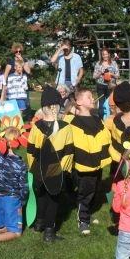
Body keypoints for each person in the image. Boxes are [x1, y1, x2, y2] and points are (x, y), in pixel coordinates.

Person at [27, 86, 74, 241]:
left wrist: (33, 168)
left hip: (39, 168)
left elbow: (31, 151)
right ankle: (49, 231)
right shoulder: (65, 127)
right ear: (55, 107)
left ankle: (38, 224)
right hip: (56, 169)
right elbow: (68, 151)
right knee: (53, 199)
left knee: (41, 195)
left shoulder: (36, 127)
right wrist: (63, 170)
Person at [66, 88, 111, 235]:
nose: (92, 99)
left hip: (96, 163)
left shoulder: (97, 120)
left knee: (94, 190)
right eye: (88, 97)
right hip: (83, 164)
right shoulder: (73, 122)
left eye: (92, 97)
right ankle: (83, 220)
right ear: (78, 102)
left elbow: (104, 137)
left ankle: (87, 213)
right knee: (85, 193)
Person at [93, 48, 120, 117]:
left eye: (106, 54)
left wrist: (112, 74)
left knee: (110, 103)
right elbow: (94, 77)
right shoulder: (98, 63)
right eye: (103, 54)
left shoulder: (113, 63)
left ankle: (110, 119)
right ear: (102, 55)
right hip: (101, 86)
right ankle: (101, 119)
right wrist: (100, 73)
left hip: (110, 86)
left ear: (109, 54)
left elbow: (117, 76)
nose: (105, 56)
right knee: (101, 103)